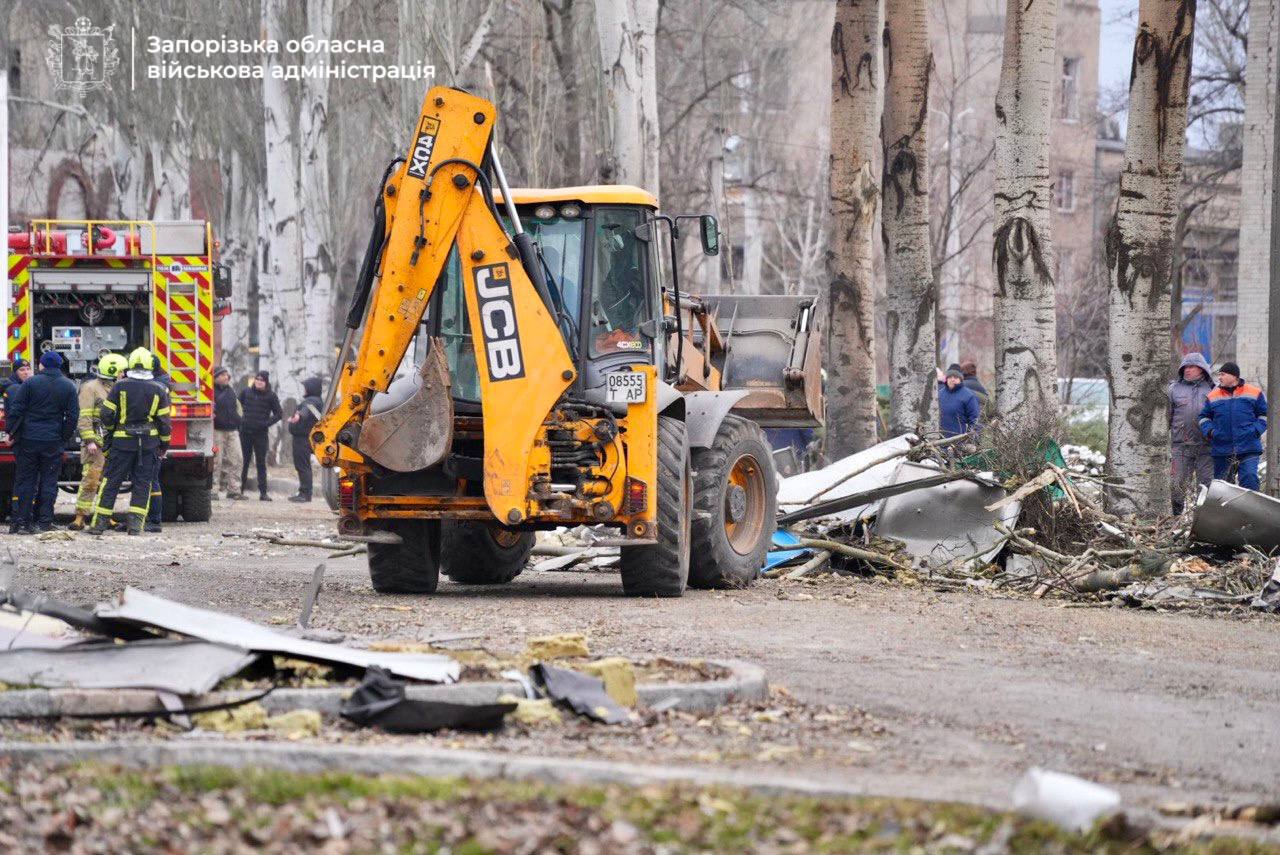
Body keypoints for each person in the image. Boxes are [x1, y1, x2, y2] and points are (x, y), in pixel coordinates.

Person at [87, 348, 171, 536]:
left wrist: (111, 431)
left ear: (130, 364)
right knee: (143, 483)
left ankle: (99, 525)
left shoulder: (119, 386)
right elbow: (164, 422)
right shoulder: (159, 389)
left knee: (111, 482)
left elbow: (106, 414)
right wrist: (164, 445)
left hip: (121, 444)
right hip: (149, 445)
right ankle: (135, 527)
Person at [6, 352, 77, 534]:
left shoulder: (30, 383)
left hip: (29, 439)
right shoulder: (68, 386)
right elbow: (72, 416)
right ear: (60, 365)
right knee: (49, 481)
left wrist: (11, 432)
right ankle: (44, 522)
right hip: (53, 440)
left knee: (26, 481)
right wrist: (63, 436)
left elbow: (16, 409)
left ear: (42, 366)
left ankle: (23, 522)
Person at [70, 353, 127, 531]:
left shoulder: (119, 387)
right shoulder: (90, 388)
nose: (123, 374)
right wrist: (89, 440)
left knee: (108, 482)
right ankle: (80, 517)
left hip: (113, 442)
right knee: (91, 479)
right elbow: (84, 415)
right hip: (95, 443)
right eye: (121, 371)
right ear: (112, 371)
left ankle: (104, 516)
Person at [1197, 361, 1268, 491]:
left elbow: (1264, 415)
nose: (1219, 377)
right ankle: (1226, 512)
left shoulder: (1254, 392)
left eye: (1223, 374)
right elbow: (1203, 417)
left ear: (1234, 376)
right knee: (1223, 487)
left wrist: (1256, 430)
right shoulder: (1213, 395)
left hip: (1248, 447)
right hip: (1222, 449)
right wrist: (1211, 432)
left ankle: (1248, 510)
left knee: (1249, 479)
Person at [1168, 352, 1214, 514]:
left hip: (1206, 447)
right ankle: (1175, 518)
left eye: (1192, 367)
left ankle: (1201, 520)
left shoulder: (1213, 389)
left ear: (1202, 369)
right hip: (1181, 446)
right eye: (1185, 367)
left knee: (1205, 486)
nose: (1187, 370)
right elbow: (1167, 417)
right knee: (1177, 483)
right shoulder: (1173, 389)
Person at [239, 370, 282, 501]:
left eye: (262, 380)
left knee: (261, 463)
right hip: (245, 432)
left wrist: (266, 423)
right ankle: (239, 490)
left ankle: (263, 493)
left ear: (266, 382)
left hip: (260, 434)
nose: (259, 382)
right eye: (257, 379)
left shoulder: (271, 396)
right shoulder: (246, 392)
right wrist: (240, 421)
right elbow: (237, 406)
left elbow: (279, 414)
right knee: (244, 462)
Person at [144, 357, 171, 533]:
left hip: (147, 441)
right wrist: (164, 444)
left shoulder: (155, 388)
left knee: (148, 480)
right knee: (150, 480)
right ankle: (151, 520)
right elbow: (165, 422)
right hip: (154, 440)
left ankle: (152, 520)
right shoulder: (162, 385)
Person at [287, 377, 324, 502]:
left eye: (306, 386)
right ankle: (304, 492)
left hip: (303, 439)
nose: (304, 389)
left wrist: (298, 416)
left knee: (303, 466)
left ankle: (305, 493)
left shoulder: (312, 400)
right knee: (304, 466)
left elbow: (306, 410)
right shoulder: (316, 400)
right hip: (304, 437)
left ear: (311, 388)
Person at [212, 366, 244, 499]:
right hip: (217, 431)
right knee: (216, 461)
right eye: (223, 375)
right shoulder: (211, 392)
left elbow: (239, 408)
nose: (226, 377)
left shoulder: (231, 391)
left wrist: (239, 420)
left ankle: (234, 490)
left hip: (232, 431)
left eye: (227, 375)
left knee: (237, 459)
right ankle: (213, 490)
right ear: (216, 378)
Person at [938, 364, 981, 438]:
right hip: (939, 440)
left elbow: (974, 420)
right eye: (950, 377)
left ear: (960, 379)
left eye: (955, 377)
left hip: (959, 442)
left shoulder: (969, 396)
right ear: (946, 379)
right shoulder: (939, 394)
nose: (952, 379)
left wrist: (972, 439)